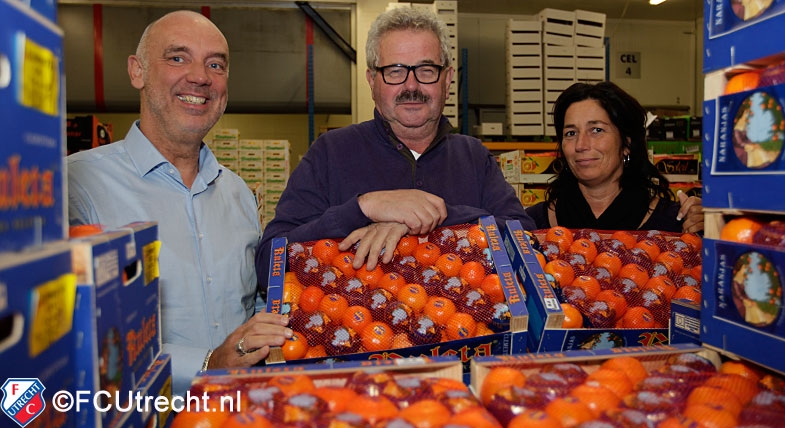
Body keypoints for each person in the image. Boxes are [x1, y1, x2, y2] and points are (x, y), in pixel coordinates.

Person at [67, 10, 292, 398]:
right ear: (137, 71)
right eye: (177, 57)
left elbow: (254, 302)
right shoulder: (77, 184)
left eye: (216, 64)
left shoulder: (238, 193)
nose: (201, 77)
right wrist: (208, 365)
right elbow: (74, 333)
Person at [255, 7, 535, 288]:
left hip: (468, 328)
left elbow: (526, 241)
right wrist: (363, 208)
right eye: (395, 71)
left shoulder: (474, 156)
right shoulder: (329, 152)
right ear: (371, 81)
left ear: (448, 80)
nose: (411, 86)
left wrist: (434, 217)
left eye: (426, 70)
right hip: (354, 328)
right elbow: (270, 262)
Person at [525, 81, 704, 234]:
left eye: (597, 130)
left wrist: (710, 227)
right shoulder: (533, 224)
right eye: (571, 133)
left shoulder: (674, 223)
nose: (580, 145)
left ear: (626, 144)